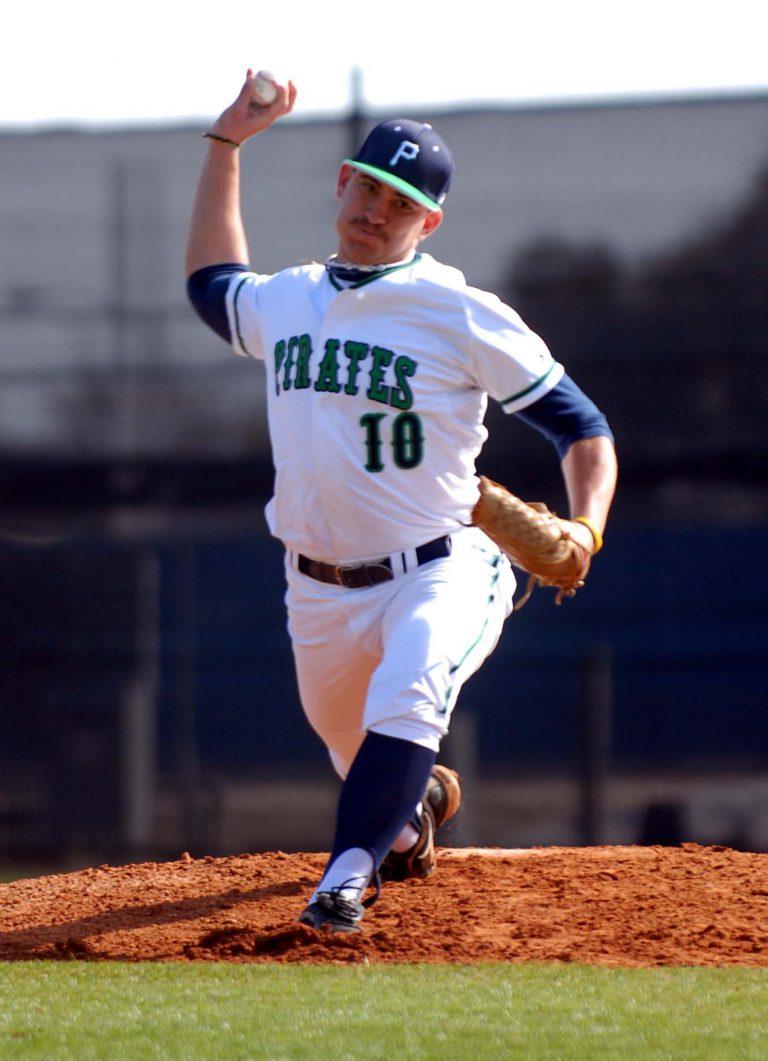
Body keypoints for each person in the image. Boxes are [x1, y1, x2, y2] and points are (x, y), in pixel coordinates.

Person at [185, 71, 618, 934]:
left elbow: (582, 425)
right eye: (371, 188)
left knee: (411, 691)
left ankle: (344, 881)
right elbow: (211, 282)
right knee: (368, 759)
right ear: (344, 183)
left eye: (403, 203)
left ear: (430, 222)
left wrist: (585, 526)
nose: (379, 211)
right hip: (315, 588)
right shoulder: (288, 299)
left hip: (440, 566)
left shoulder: (460, 313)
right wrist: (225, 145)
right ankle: (409, 812)